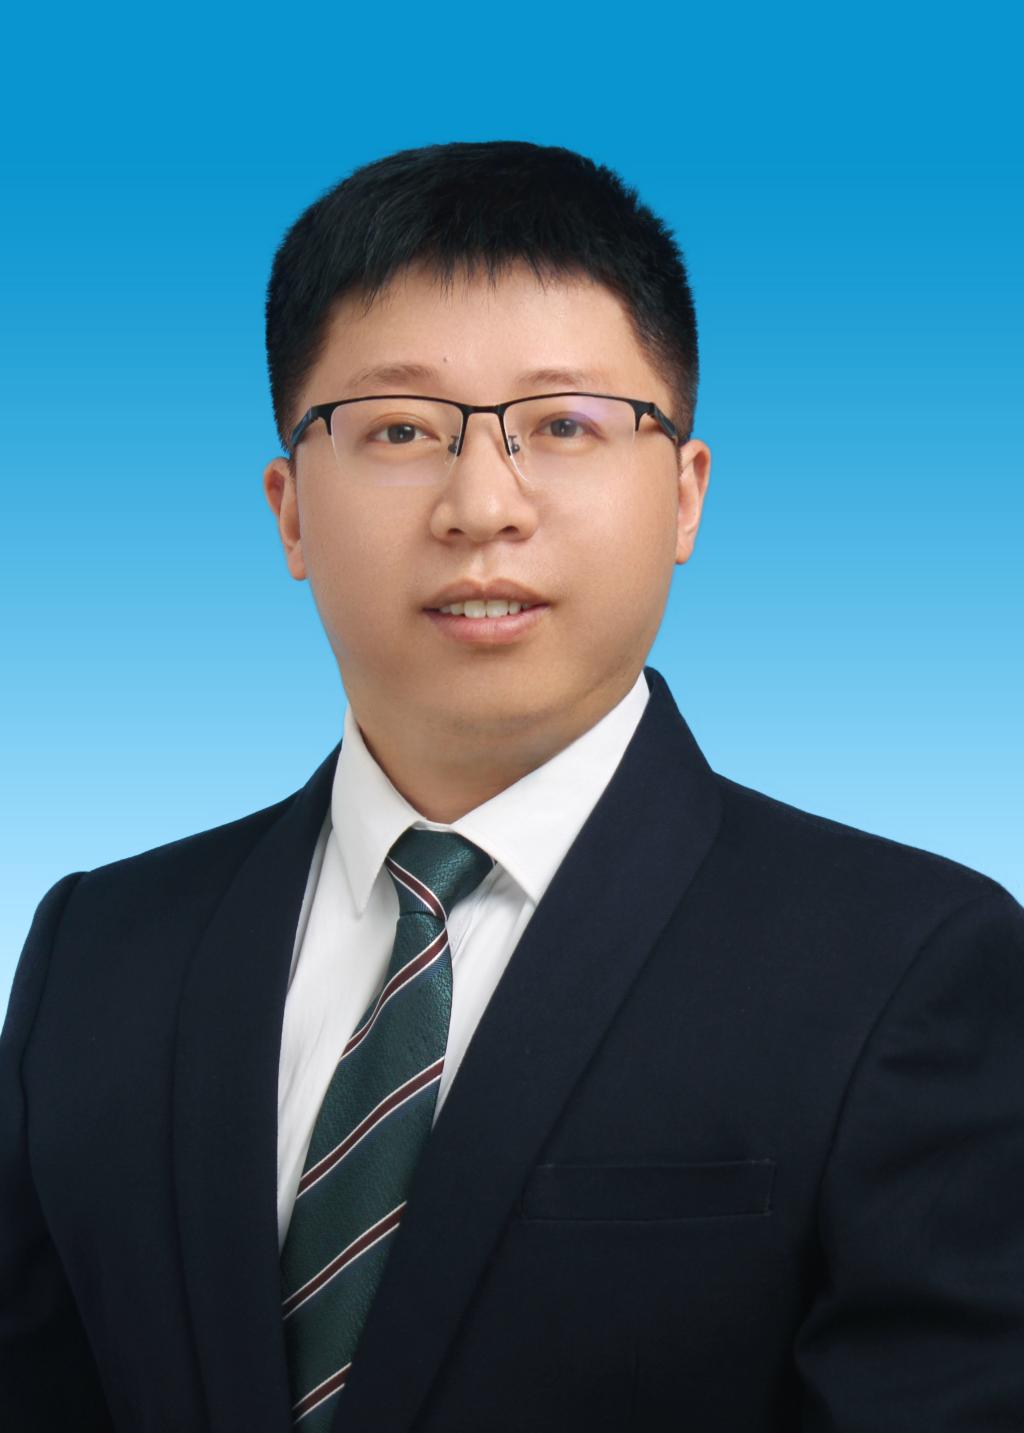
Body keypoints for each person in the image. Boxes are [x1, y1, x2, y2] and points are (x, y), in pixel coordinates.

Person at [2, 140, 1022, 1433]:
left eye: (564, 425)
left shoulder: (909, 965)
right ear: (290, 510)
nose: (482, 505)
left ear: (685, 496)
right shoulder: (98, 955)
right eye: (399, 429)